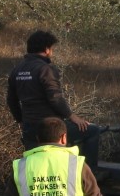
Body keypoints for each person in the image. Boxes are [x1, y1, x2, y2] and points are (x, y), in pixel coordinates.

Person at [6, 29, 101, 169]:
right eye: (52, 49)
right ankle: (89, 174)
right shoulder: (45, 69)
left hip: (29, 128)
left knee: (34, 166)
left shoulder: (17, 70)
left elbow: (11, 100)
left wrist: (21, 120)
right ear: (46, 49)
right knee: (93, 131)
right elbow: (55, 98)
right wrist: (73, 117)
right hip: (51, 128)